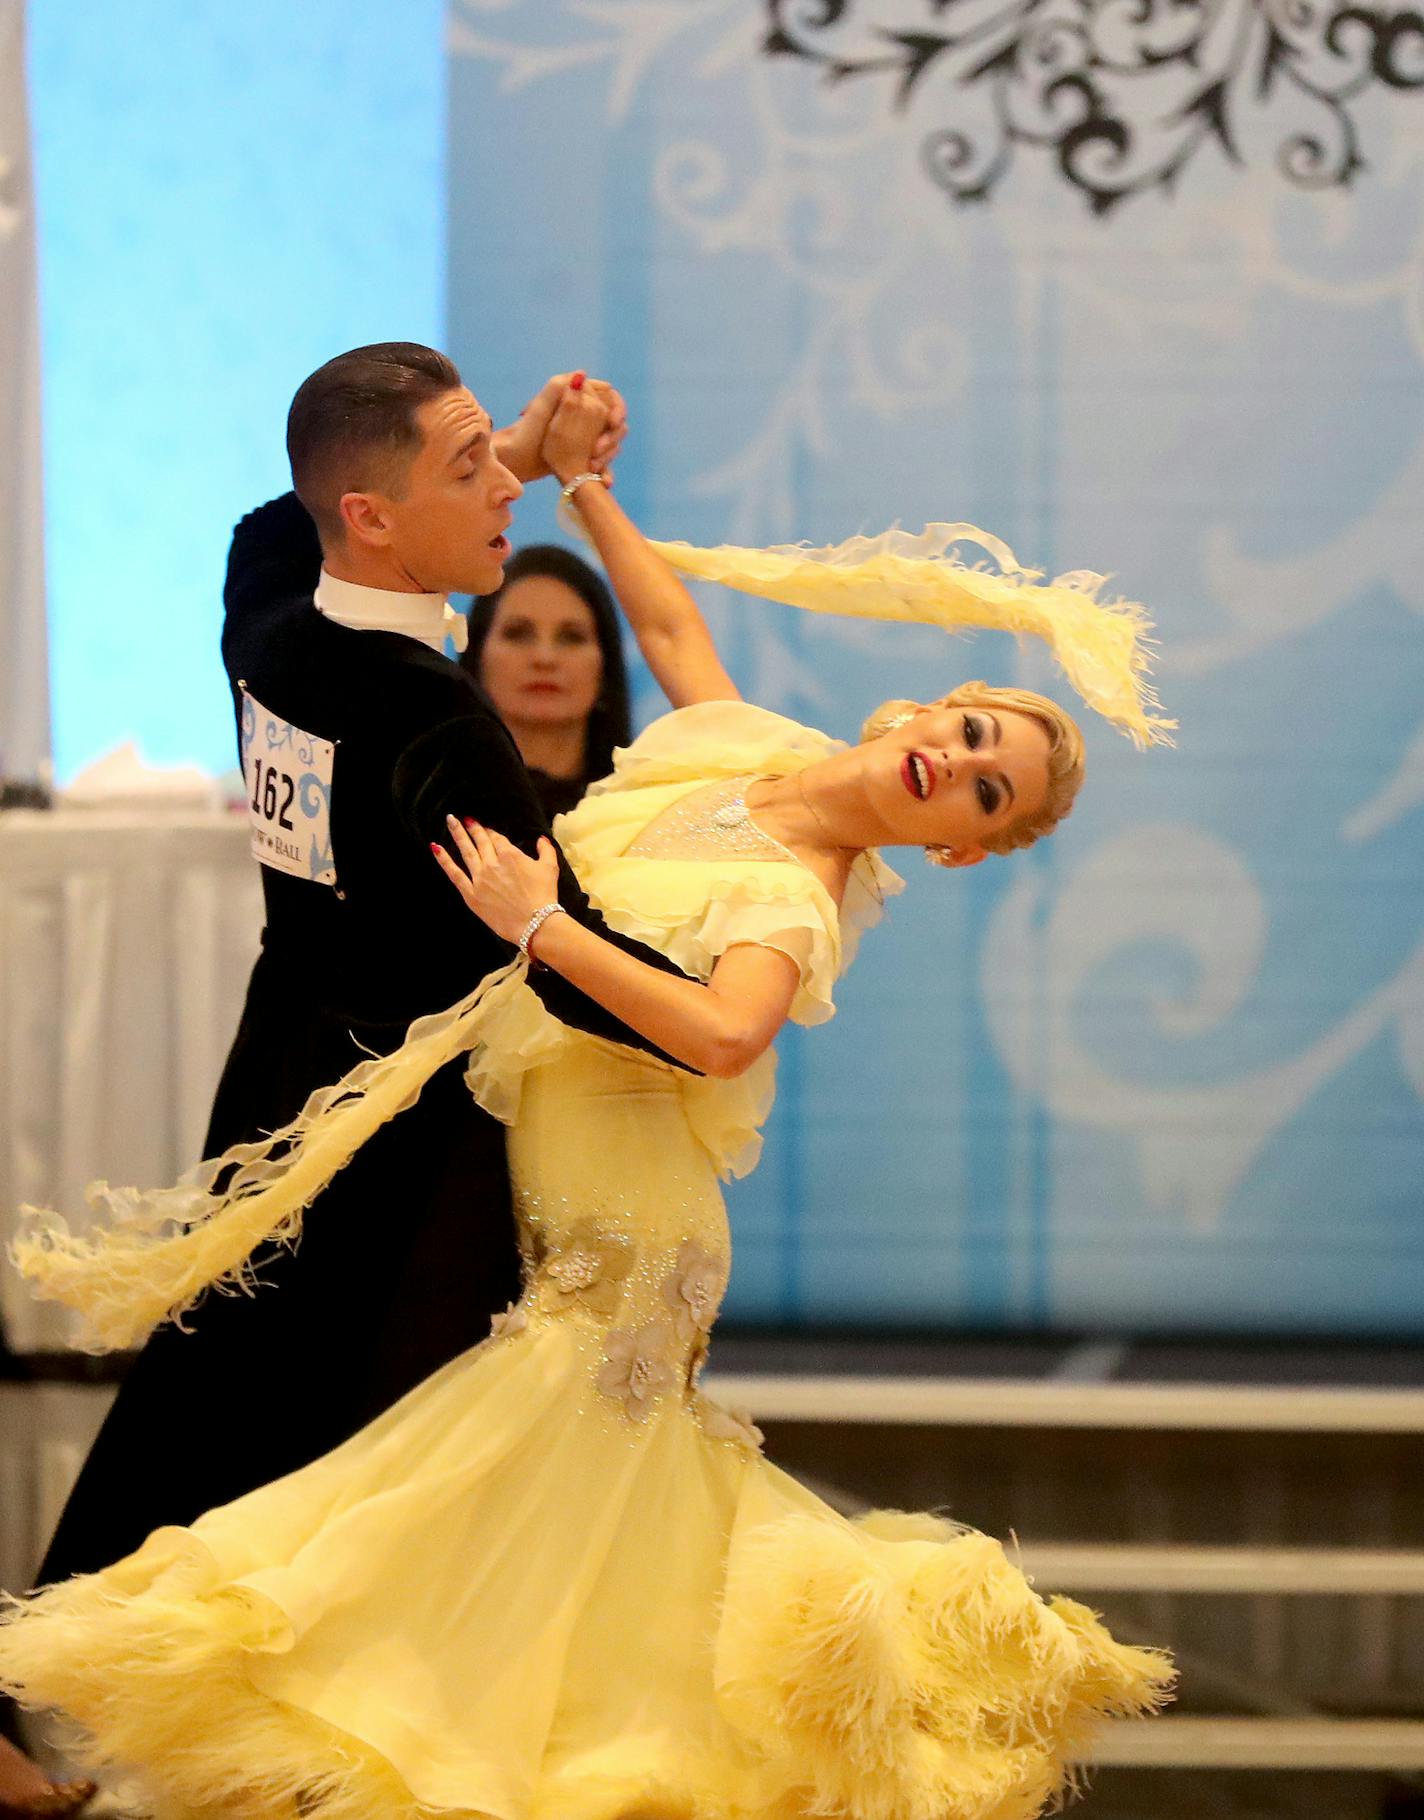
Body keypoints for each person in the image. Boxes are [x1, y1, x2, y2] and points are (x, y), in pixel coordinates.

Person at [0, 382, 1173, 1819]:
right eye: (981, 732)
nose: (968, 767)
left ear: (963, 848)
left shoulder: (806, 897)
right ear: (925, 705)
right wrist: (583, 491)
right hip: (515, 1140)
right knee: (495, 1525)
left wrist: (541, 926)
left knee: (479, 1515)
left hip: (621, 1221)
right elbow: (672, 630)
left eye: (990, 796)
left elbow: (727, 1038)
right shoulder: (744, 743)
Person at [15, 348, 705, 1725]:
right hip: (396, 1132)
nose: (503, 485)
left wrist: (513, 435)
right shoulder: (433, 716)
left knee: (200, 1391)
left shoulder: (269, 609)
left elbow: (276, 516)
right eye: (470, 469)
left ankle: (65, 1698)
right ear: (375, 517)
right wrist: (715, 1016)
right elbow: (551, 952)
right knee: (343, 1443)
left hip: (276, 1064)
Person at [462, 544, 633, 820]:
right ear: (477, 656)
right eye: (518, 634)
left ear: (605, 666)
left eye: (571, 637)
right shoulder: (424, 805)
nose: (545, 658)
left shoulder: (645, 809)